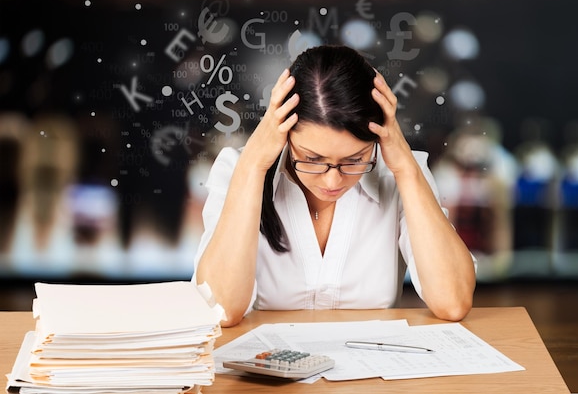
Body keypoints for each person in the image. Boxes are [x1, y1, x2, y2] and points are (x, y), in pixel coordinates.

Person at [193, 45, 476, 327]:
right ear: (284, 135)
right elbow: (220, 309)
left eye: (355, 159)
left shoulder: (399, 173)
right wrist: (253, 165)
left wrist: (405, 168)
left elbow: (452, 303)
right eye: (312, 159)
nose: (332, 181)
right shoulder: (238, 169)